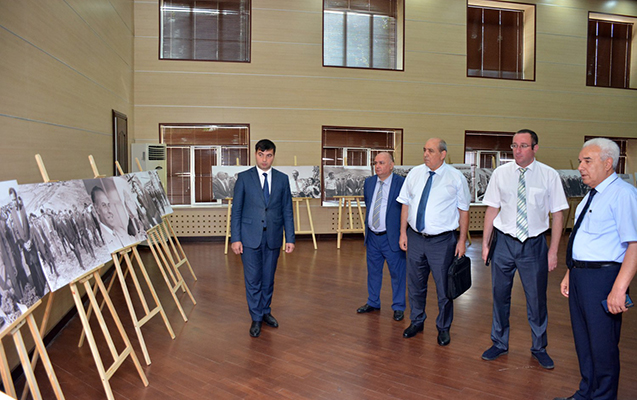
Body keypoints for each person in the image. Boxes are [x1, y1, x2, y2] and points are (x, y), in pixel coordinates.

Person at [554, 138, 637, 400]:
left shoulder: (623, 195)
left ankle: (603, 396)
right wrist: (571, 272)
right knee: (584, 341)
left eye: (587, 161)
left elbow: (634, 244)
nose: (580, 167)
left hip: (604, 278)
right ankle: (586, 393)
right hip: (581, 276)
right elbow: (585, 238)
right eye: (581, 161)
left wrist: (619, 289)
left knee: (603, 345)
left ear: (608, 163)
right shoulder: (591, 196)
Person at [481, 129, 568, 369]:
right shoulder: (500, 174)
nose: (517, 150)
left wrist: (553, 251)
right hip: (503, 243)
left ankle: (539, 347)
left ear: (535, 148)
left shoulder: (549, 175)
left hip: (534, 244)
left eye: (523, 146)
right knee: (500, 295)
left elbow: (558, 215)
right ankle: (499, 342)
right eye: (514, 145)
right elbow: (492, 210)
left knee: (536, 299)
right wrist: (486, 244)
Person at [397, 138, 470, 345]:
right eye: (424, 150)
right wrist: (403, 233)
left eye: (430, 151)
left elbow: (464, 211)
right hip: (415, 238)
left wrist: (462, 241)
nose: (425, 154)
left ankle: (443, 328)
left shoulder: (455, 178)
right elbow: (405, 204)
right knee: (415, 284)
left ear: (443, 154)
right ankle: (417, 321)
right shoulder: (415, 173)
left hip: (442, 242)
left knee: (444, 288)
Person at [231, 139, 295, 338]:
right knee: (253, 280)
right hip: (249, 238)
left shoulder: (282, 179)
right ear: (255, 154)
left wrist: (290, 238)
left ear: (273, 156)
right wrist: (235, 238)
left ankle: (266, 311)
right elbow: (236, 211)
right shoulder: (244, 178)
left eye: (268, 155)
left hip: (273, 237)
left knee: (268, 278)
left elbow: (287, 210)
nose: (264, 159)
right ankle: (256, 317)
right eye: (261, 155)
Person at [356, 152, 406, 321]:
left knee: (397, 273)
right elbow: (368, 203)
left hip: (392, 237)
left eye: (381, 163)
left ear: (391, 165)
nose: (377, 166)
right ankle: (373, 302)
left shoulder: (401, 183)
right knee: (373, 272)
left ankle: (398, 306)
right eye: (375, 163)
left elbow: (406, 208)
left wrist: (403, 234)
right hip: (373, 237)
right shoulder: (369, 182)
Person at [91, 186, 128, 252]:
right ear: (97, 209)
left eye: (109, 205)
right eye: (104, 205)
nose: (110, 211)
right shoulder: (102, 240)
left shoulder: (121, 231)